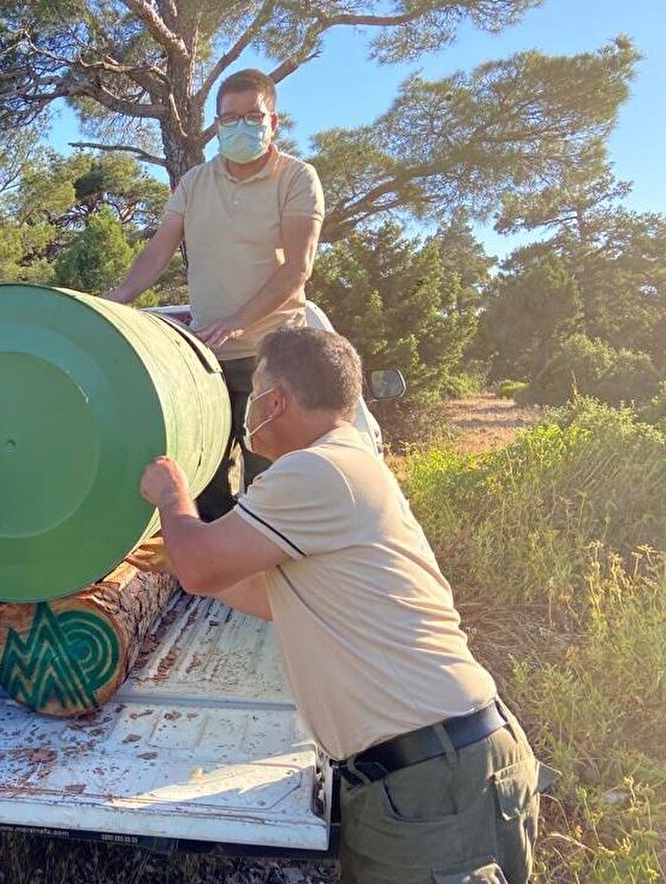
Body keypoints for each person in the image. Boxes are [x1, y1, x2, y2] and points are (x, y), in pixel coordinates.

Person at [129, 327, 553, 884]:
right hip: (425, 776)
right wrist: (183, 566)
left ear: (274, 400)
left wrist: (172, 497)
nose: (248, 406)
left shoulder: (315, 470)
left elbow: (203, 564)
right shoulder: (342, 463)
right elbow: (272, 597)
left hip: (433, 785)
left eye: (253, 390)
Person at [106, 67, 324, 519]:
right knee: (205, 479)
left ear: (273, 121)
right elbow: (157, 251)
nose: (240, 125)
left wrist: (238, 320)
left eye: (252, 115)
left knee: (272, 481)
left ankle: (269, 580)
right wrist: (114, 300)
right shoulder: (194, 183)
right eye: (229, 118)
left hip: (272, 354)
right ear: (217, 124)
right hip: (205, 358)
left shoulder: (297, 178)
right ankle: (216, 577)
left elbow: (298, 268)